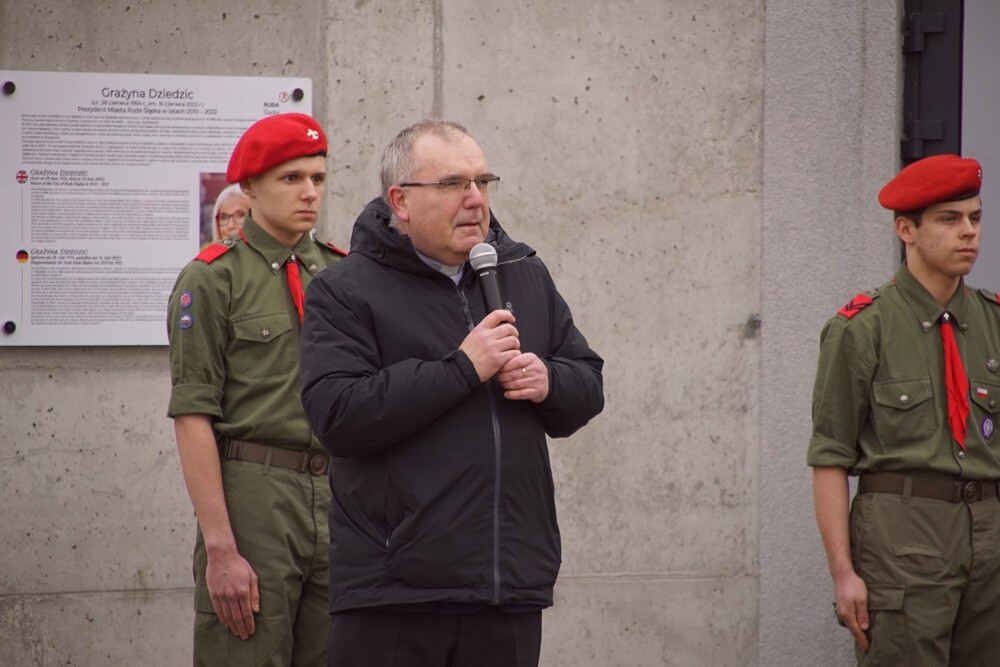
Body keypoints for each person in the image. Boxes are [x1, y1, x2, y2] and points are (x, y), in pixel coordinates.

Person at [299, 119, 605, 666]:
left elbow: (587, 381)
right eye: (452, 184)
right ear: (401, 201)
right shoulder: (345, 290)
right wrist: (463, 368)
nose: (474, 200)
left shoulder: (523, 274)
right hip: (395, 593)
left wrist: (549, 382)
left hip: (507, 587)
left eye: (482, 182)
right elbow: (338, 414)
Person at [167, 112, 345, 666]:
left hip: (340, 496)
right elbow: (193, 415)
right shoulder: (212, 277)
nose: (309, 193)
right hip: (256, 496)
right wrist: (221, 548)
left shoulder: (342, 273)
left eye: (317, 178)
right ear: (249, 187)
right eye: (291, 179)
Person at [808, 154, 1000, 664]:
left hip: (991, 537)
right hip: (903, 538)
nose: (968, 233)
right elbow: (829, 457)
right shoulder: (860, 328)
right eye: (949, 219)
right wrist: (842, 573)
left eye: (975, 218)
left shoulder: (994, 322)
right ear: (906, 230)